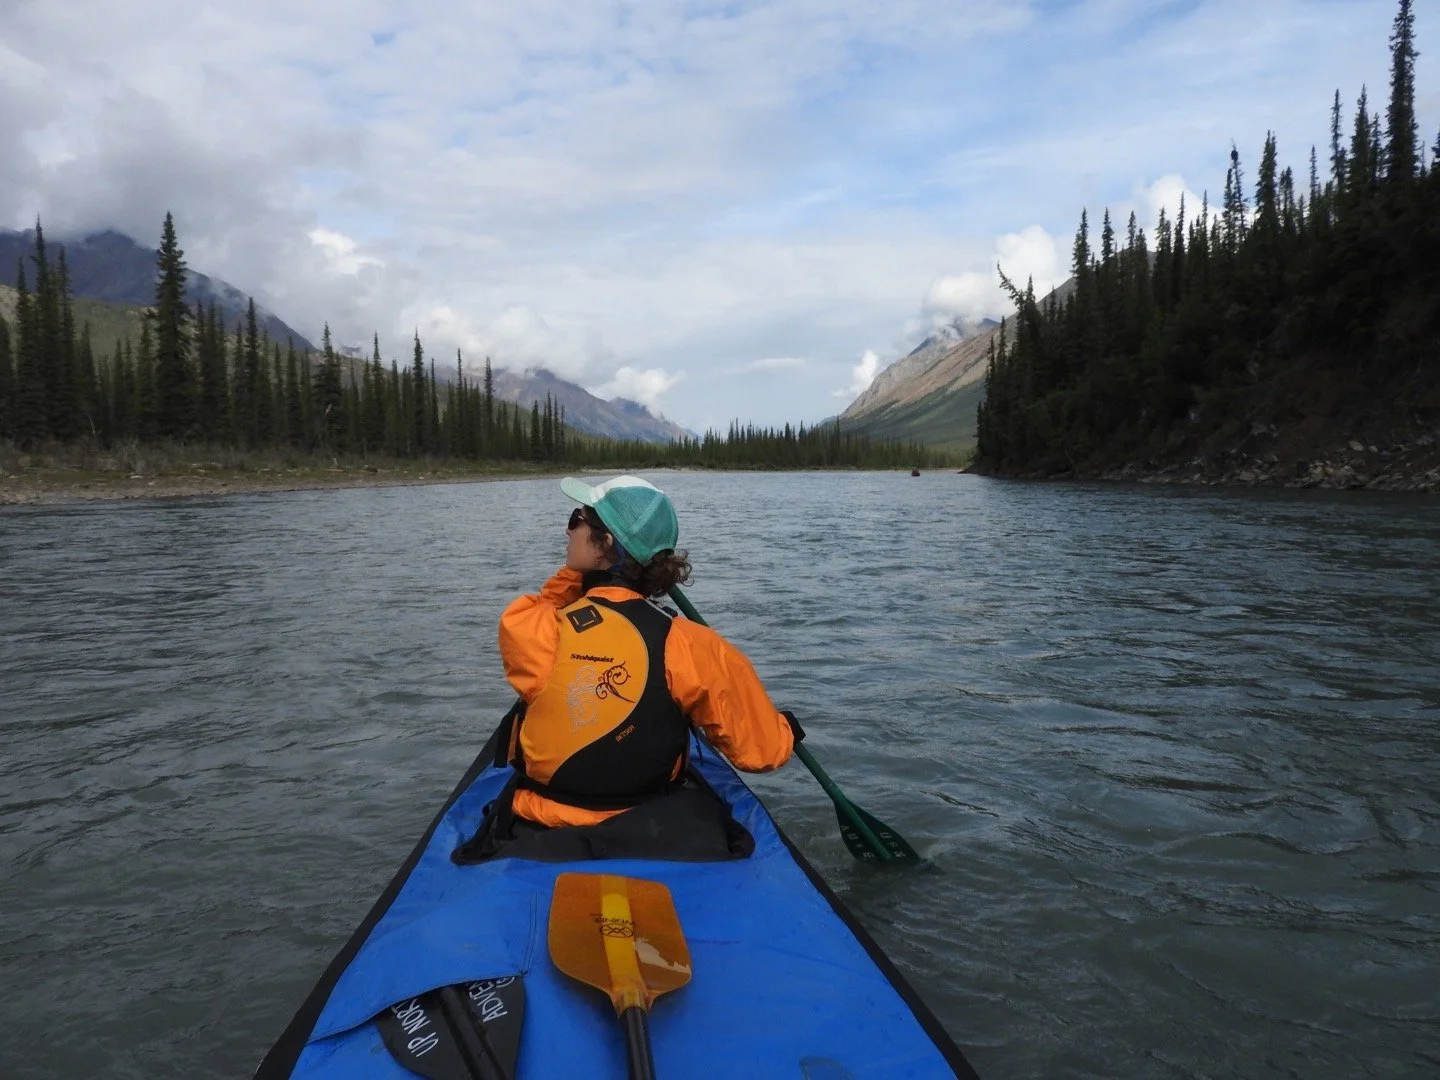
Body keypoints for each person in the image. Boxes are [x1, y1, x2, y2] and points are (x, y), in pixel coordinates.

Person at [492, 474, 801, 836]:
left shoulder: (534, 626)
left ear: (605, 544)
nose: (568, 530)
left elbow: (549, 601)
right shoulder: (693, 643)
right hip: (649, 822)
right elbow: (762, 752)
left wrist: (579, 575)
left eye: (577, 519)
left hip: (546, 819)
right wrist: (786, 730)